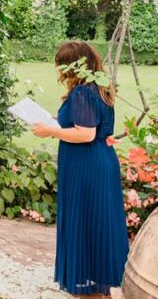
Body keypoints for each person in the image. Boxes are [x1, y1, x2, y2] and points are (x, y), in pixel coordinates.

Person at [32, 41, 128, 299]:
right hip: (100, 161)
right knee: (97, 221)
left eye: (62, 65)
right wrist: (54, 125)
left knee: (85, 221)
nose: (60, 71)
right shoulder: (100, 89)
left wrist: (49, 130)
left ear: (75, 66)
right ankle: (99, 287)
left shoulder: (82, 93)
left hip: (86, 166)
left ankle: (90, 292)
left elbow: (85, 134)